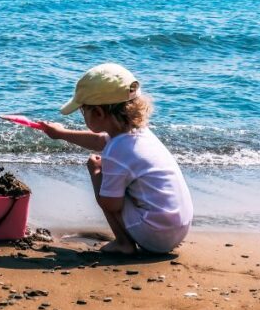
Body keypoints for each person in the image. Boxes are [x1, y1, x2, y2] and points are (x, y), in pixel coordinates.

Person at [38, 63, 193, 254]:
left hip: (155, 236)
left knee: (106, 186)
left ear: (98, 113)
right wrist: (61, 133)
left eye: (82, 111)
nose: (82, 115)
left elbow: (110, 204)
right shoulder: (138, 133)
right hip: (177, 229)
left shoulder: (117, 151)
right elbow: (101, 140)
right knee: (119, 183)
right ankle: (137, 236)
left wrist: (95, 172)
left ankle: (123, 244)